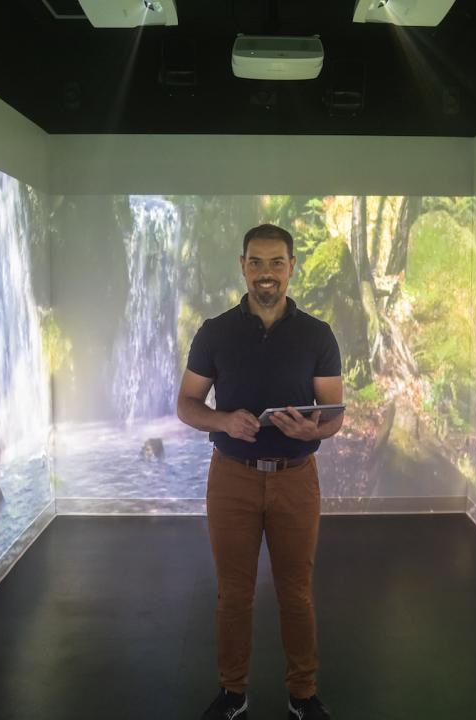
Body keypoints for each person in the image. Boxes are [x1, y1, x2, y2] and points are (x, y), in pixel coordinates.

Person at [177, 223, 343, 720]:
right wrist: (222, 419)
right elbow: (187, 404)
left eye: (276, 263)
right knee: (233, 593)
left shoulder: (318, 335)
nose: (265, 273)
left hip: (296, 478)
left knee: (296, 592)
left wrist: (309, 432)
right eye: (256, 262)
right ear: (243, 265)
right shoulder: (214, 332)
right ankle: (233, 692)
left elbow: (334, 415)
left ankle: (303, 694)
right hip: (232, 478)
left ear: (292, 267)